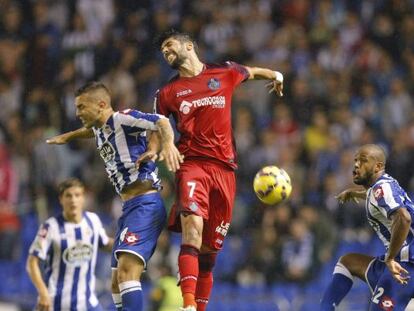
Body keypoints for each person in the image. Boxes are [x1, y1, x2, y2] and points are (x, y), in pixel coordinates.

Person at [152, 29, 284, 311]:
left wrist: (275, 75)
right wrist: (164, 145)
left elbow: (249, 71)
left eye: (169, 45)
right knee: (192, 230)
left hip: (225, 170)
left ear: (189, 46)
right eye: (162, 49)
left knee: (209, 252)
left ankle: (199, 308)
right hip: (192, 166)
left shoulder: (223, 72)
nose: (166, 51)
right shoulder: (167, 93)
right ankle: (187, 304)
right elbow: (158, 125)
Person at [46, 81, 183, 311]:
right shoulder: (100, 128)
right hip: (129, 208)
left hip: (145, 203)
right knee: (116, 282)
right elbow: (91, 131)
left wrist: (164, 146)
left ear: (101, 105)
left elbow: (160, 121)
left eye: (81, 107)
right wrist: (68, 137)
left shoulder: (123, 118)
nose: (77, 113)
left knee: (128, 272)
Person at [320, 144, 414, 311]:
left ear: (377, 166)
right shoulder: (382, 185)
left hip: (405, 264)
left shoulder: (382, 188)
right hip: (401, 262)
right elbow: (376, 196)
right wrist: (354, 193)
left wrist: (391, 258)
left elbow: (404, 218)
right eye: (356, 160)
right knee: (348, 262)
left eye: (363, 161)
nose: (356, 165)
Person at [26, 178, 114, 311]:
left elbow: (106, 243)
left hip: (87, 303)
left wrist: (130, 245)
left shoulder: (93, 220)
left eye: (77, 195)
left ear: (83, 198)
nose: (73, 200)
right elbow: (32, 262)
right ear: (61, 199)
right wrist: (43, 292)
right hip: (55, 304)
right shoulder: (50, 227)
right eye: (68, 195)